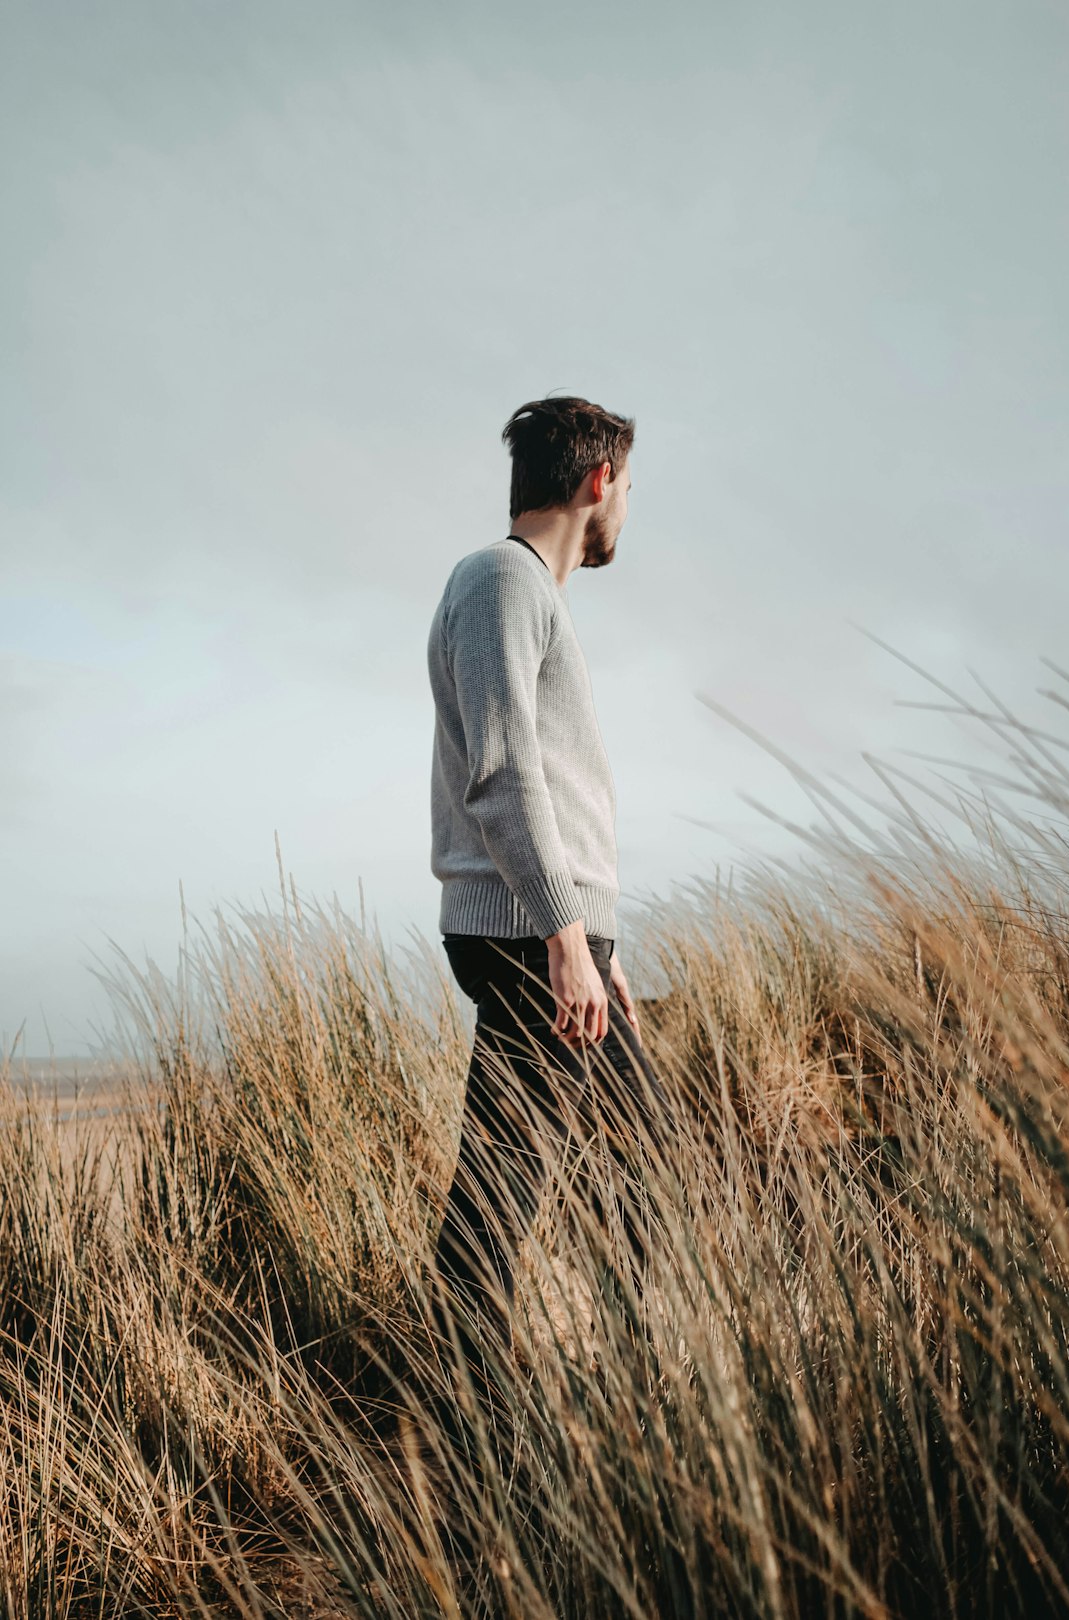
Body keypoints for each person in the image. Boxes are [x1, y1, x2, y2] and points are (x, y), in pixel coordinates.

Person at [425, 396, 670, 1430]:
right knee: (496, 1207)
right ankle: (476, 1443)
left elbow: (549, 790)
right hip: (531, 938)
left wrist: (597, 942)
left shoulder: (523, 593)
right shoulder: (500, 582)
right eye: (628, 492)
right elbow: (504, 771)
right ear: (599, 481)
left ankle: (623, 1395)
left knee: (648, 1160)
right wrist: (568, 935)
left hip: (559, 934)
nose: (625, 513)